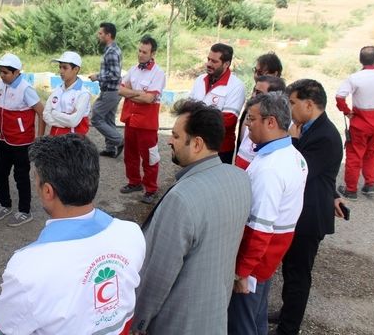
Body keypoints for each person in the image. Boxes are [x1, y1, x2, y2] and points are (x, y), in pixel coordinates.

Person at [0, 134, 145, 334]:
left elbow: (5, 328)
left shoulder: (26, 268)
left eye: (35, 180)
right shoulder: (131, 233)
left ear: (47, 191)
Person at [132, 99, 251, 335]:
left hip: (178, 321)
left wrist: (139, 321)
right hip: (215, 313)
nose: (169, 141)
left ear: (197, 144)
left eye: (176, 136)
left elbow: (158, 273)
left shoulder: (182, 198)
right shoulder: (240, 178)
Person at [228, 92, 308, 335]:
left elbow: (259, 229)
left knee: (242, 324)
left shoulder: (270, 168)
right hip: (269, 257)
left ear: (270, 122)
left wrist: (242, 271)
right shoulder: (293, 155)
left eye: (252, 119)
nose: (247, 125)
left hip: (256, 260)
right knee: (257, 317)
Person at [274, 79, 344, 335]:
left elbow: (300, 170)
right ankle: (286, 312)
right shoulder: (308, 127)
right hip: (301, 212)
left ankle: (288, 328)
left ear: (309, 104)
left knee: (298, 274)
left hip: (310, 217)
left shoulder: (324, 135)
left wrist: (291, 142)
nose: (289, 108)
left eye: (292, 103)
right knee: (291, 269)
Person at [0, 53, 45, 227]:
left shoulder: (26, 89)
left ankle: (24, 211)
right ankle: (5, 205)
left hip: (22, 143)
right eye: (0, 71)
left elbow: (41, 112)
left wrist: (39, 138)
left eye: (6, 72)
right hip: (4, 139)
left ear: (16, 73)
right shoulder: (1, 83)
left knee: (20, 176)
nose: (2, 75)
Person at [118, 35, 166, 205]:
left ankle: (151, 189)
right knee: (130, 155)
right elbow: (120, 90)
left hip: (147, 124)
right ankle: (134, 182)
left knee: (150, 157)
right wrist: (139, 94)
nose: (140, 54)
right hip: (131, 120)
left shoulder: (158, 73)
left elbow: (149, 99)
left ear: (153, 53)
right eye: (139, 50)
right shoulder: (134, 69)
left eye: (144, 52)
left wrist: (131, 94)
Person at [335, 45, 374, 200]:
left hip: (360, 124)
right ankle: (369, 184)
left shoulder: (355, 78)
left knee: (354, 155)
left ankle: (351, 189)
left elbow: (340, 97)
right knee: (371, 153)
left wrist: (347, 112)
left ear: (361, 60)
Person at [189, 43, 245, 164]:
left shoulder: (236, 86)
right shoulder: (200, 80)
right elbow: (188, 108)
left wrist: (196, 119)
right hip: (196, 144)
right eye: (208, 59)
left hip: (220, 149)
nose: (209, 64)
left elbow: (227, 120)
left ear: (226, 64)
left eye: (214, 61)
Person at [235, 76, 286, 169]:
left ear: (272, 97)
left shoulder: (282, 123)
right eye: (254, 91)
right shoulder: (252, 112)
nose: (253, 95)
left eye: (258, 93)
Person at [237, 52, 284, 153]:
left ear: (275, 74)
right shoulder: (256, 91)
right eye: (256, 71)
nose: (256, 76)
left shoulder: (282, 104)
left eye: (261, 73)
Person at [89, 22, 124, 157]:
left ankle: (119, 140)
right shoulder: (113, 49)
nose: (99, 35)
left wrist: (97, 77)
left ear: (108, 35)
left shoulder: (111, 52)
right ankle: (110, 149)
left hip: (110, 91)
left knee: (96, 117)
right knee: (109, 120)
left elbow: (115, 75)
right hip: (113, 90)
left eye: (101, 33)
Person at [42, 51, 91, 136]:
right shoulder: (58, 89)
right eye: (60, 67)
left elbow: (73, 122)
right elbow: (46, 115)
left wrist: (54, 113)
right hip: (55, 139)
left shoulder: (83, 94)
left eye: (65, 68)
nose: (61, 71)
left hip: (73, 142)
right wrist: (66, 119)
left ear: (76, 69)